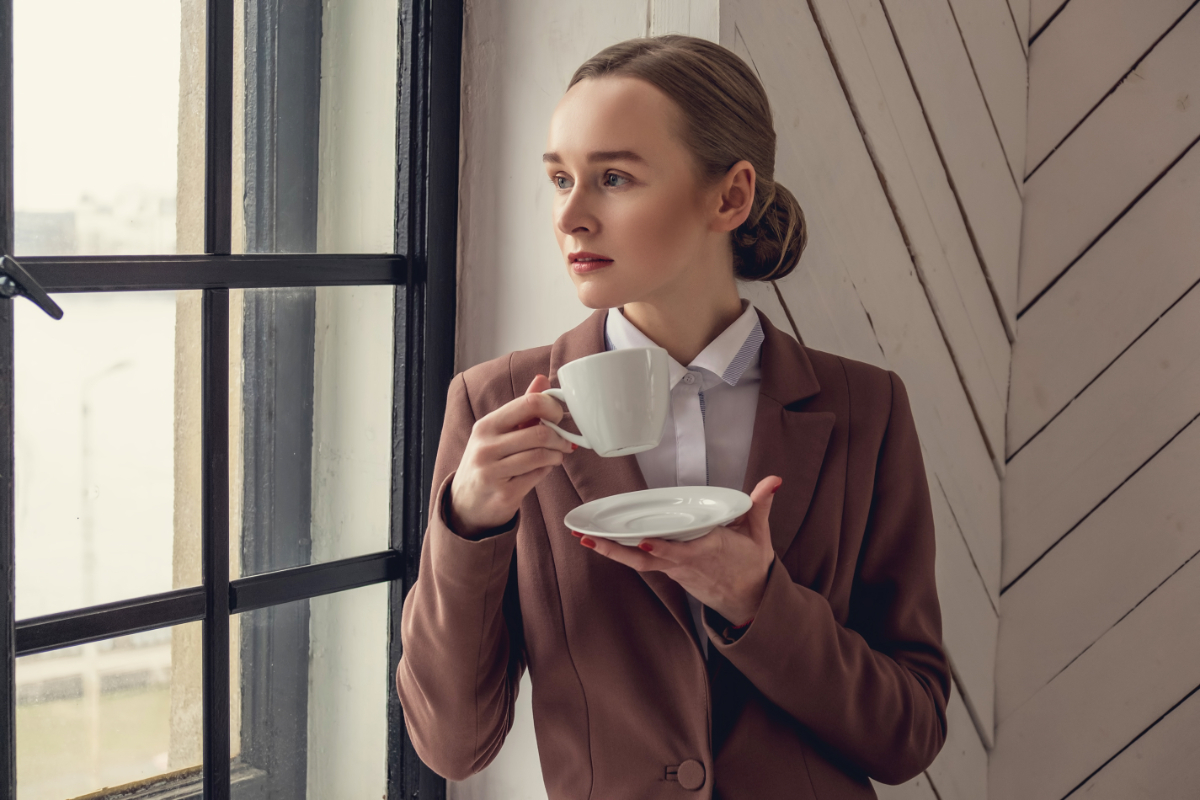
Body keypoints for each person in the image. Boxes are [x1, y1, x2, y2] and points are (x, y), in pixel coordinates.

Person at [396, 34, 949, 799]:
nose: (571, 217)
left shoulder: (866, 408)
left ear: (730, 196)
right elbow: (453, 745)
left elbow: (910, 734)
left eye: (614, 177)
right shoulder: (496, 406)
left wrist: (761, 603)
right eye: (561, 179)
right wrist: (469, 523)